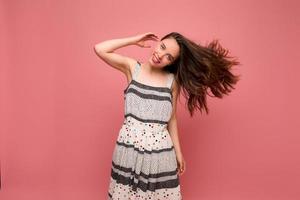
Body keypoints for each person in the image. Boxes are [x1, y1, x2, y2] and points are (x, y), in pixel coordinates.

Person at [94, 32, 240, 199]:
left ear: (172, 62)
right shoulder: (132, 68)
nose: (160, 55)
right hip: (128, 148)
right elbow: (100, 49)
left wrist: (178, 152)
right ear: (159, 42)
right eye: (162, 47)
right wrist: (134, 40)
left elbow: (172, 118)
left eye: (168, 57)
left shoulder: (172, 81)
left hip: (160, 153)